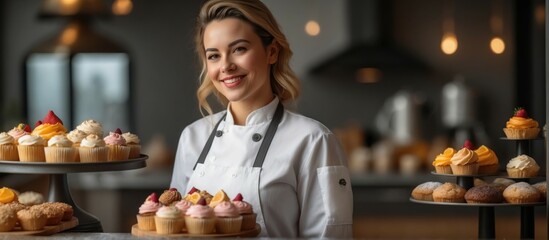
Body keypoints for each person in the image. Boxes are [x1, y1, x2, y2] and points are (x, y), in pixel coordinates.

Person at [170, 0, 353, 237]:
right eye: (214, 56)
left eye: (239, 49)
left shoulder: (313, 140)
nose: (226, 66)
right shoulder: (193, 137)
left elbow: (329, 235)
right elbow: (175, 227)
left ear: (272, 52)